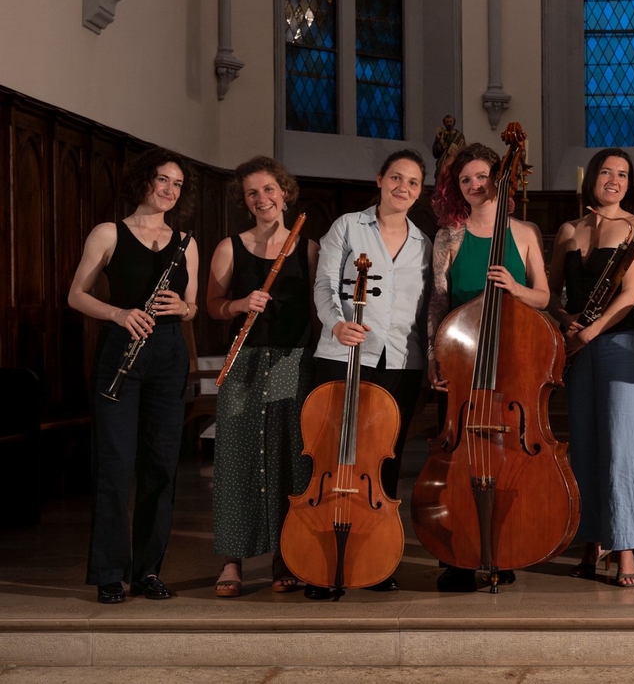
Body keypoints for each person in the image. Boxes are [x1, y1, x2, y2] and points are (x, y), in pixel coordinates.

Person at [67, 147, 200, 604]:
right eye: (162, 180)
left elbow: (192, 306)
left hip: (167, 355)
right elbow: (76, 296)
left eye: (177, 184)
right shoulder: (109, 232)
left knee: (161, 466)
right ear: (144, 180)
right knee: (115, 465)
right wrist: (119, 313)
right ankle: (108, 572)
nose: (169, 190)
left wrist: (184, 308)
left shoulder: (187, 242)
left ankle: (147, 571)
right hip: (121, 348)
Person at [308, 149, 433, 600]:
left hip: (402, 361)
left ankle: (376, 561)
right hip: (343, 354)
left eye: (413, 182)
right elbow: (324, 284)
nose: (403, 188)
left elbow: (425, 311)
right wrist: (336, 324)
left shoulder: (424, 242)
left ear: (421, 191)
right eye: (396, 178)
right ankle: (320, 562)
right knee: (332, 457)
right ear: (379, 180)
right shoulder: (346, 226)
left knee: (385, 463)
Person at [427, 142, 551, 591]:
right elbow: (438, 302)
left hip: (513, 359)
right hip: (462, 360)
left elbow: (544, 296)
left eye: (482, 176)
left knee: (509, 456)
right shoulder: (449, 236)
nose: (475, 185)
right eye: (465, 180)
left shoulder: (524, 232)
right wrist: (432, 357)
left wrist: (515, 287)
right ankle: (461, 552)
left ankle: (504, 544)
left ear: (498, 178)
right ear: (456, 189)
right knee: (461, 458)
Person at [206, 156, 319, 598]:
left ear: (285, 192)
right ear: (244, 200)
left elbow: (316, 315)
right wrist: (237, 306)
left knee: (292, 457)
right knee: (236, 458)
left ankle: (284, 555)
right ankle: (232, 559)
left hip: (294, 360)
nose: (262, 199)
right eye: (252, 192)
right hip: (245, 361)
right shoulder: (228, 247)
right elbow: (214, 305)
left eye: (269, 189)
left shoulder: (309, 249)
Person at [547, 148, 634, 588]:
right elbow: (550, 292)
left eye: (622, 174)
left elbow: (629, 295)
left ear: (630, 184)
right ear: (591, 178)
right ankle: (591, 542)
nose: (614, 180)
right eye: (606, 172)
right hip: (575, 345)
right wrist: (566, 320)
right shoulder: (569, 230)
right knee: (584, 445)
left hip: (619, 343)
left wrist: (593, 330)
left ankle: (625, 548)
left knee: (621, 446)